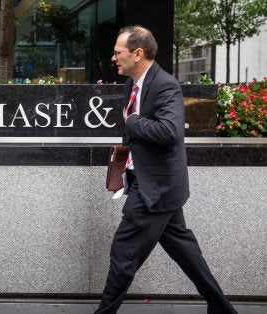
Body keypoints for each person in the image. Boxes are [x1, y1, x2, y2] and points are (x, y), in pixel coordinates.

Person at [95, 25, 237, 314]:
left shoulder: (165, 84)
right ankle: (223, 310)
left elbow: (170, 132)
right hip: (152, 184)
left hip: (155, 190)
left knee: (123, 254)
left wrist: (133, 122)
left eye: (117, 52)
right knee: (186, 253)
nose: (113, 58)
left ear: (138, 53)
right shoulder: (133, 84)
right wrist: (125, 170)